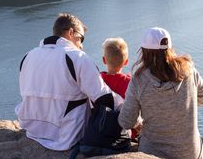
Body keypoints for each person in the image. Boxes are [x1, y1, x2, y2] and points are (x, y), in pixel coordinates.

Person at [15, 13, 123, 151]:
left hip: (33, 132)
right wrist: (132, 117)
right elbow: (105, 98)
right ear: (71, 32)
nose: (81, 45)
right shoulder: (77, 57)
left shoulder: (28, 56)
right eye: (81, 39)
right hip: (66, 137)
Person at [118, 27, 203, 159]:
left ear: (144, 51)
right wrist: (182, 104)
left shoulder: (139, 80)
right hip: (190, 154)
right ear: (169, 48)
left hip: (152, 155)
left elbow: (125, 122)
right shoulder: (188, 70)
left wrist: (138, 121)